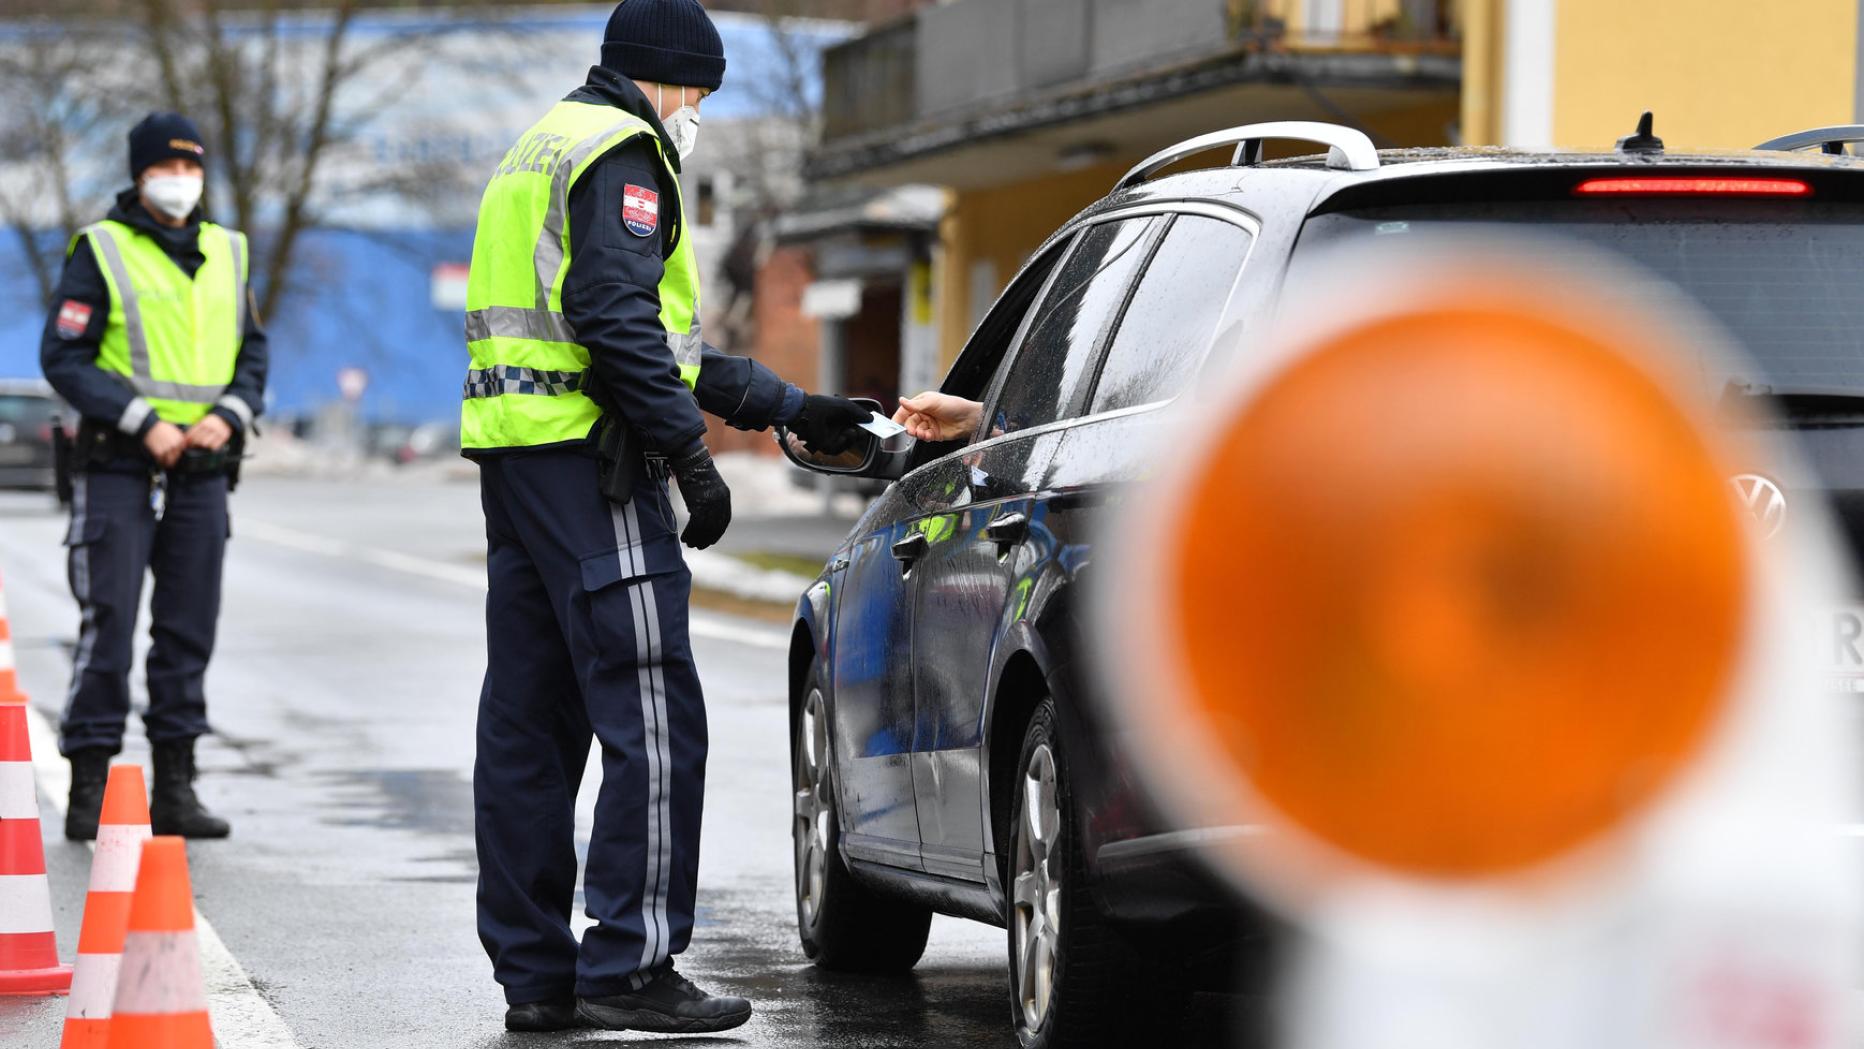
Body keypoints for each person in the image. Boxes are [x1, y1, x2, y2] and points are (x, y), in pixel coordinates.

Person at [459, 0, 871, 1034]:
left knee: (529, 723)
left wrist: (788, 405)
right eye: (702, 93)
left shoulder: (541, 145)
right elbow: (611, 318)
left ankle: (538, 976)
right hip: (594, 475)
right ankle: (630, 961)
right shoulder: (625, 150)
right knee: (649, 709)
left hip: (520, 466)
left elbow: (660, 343)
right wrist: (689, 460)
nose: (701, 114)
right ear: (671, 79)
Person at [39, 112, 265, 842]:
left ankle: (176, 784)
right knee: (109, 627)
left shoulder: (229, 251)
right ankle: (90, 783)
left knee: (187, 630)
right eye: (169, 167)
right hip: (119, 465)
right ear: (140, 176)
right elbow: (65, 356)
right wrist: (145, 420)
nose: (182, 180)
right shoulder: (99, 250)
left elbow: (253, 356)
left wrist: (227, 414)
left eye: (193, 167)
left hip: (202, 471)